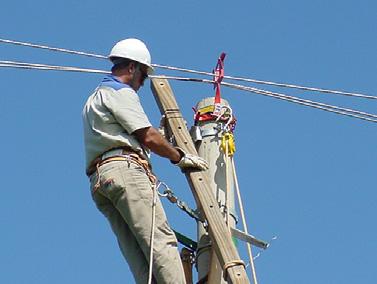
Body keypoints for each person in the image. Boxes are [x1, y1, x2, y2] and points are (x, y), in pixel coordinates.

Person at [82, 38, 208, 284]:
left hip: (100, 181)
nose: (142, 83)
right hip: (125, 171)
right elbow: (148, 136)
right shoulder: (120, 92)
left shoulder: (94, 98)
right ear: (132, 67)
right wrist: (179, 157)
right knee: (160, 241)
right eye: (143, 76)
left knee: (139, 254)